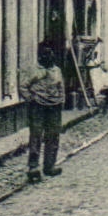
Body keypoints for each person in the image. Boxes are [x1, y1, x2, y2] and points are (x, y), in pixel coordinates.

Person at [17, 41, 66, 181]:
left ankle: (50, 166)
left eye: (50, 53)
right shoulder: (34, 70)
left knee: (53, 136)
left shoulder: (57, 71)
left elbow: (61, 88)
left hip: (54, 107)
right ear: (40, 55)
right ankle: (33, 167)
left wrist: (61, 101)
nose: (48, 56)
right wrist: (31, 99)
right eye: (45, 53)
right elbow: (23, 86)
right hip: (38, 106)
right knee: (36, 135)